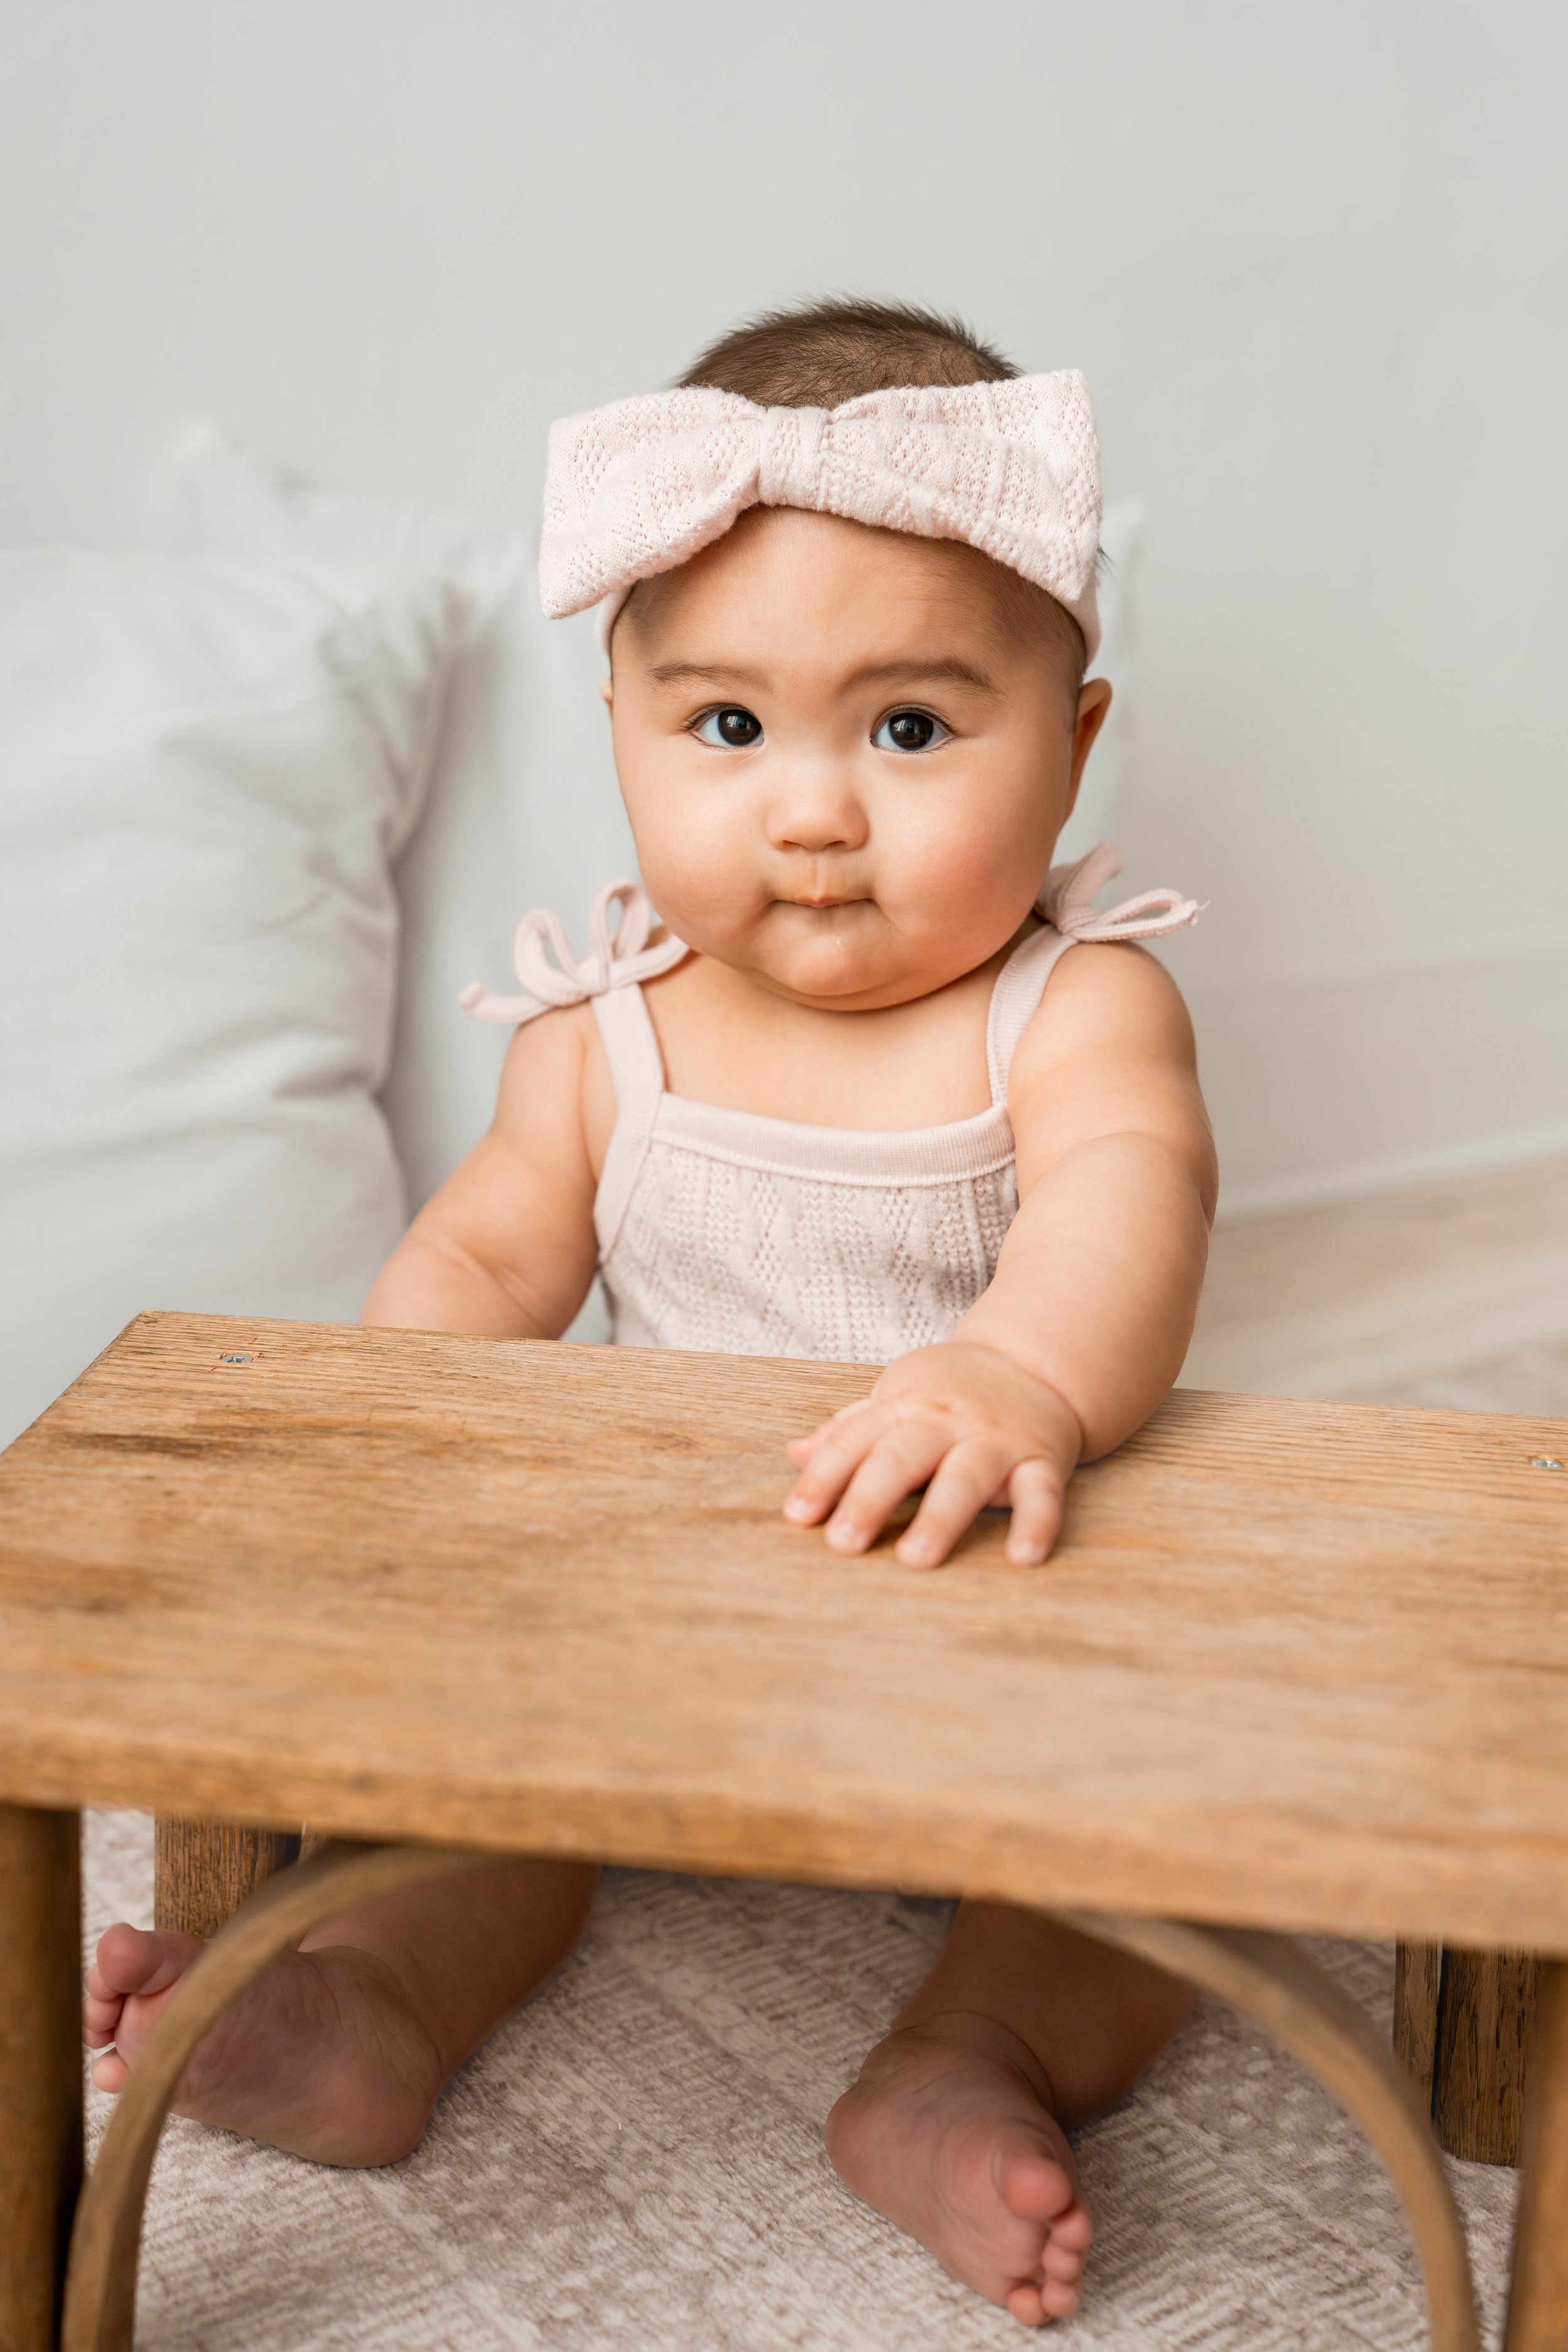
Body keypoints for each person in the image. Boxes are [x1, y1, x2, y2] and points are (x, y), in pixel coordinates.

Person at [85, 298, 1216, 2328]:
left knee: (1164, 1866)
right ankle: (356, 2025)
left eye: (909, 728)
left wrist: (1010, 1369)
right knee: (460, 1824)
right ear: (616, 723)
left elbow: (1132, 1204)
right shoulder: (604, 1034)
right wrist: (372, 1434)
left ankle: (967, 2064)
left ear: (1075, 736)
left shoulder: (1083, 1004)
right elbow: (483, 1266)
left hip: (981, 1611)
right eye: (723, 729)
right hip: (646, 1633)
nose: (811, 810)